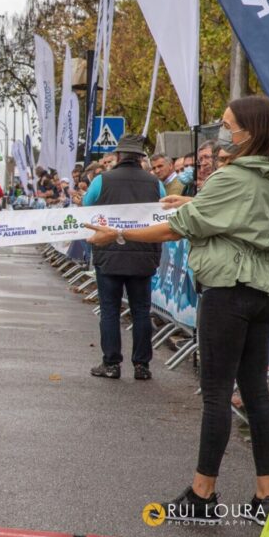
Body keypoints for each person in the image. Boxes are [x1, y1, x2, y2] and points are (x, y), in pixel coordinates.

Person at [86, 96, 269, 525]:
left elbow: (177, 229)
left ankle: (202, 494)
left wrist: (117, 236)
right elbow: (230, 217)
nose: (221, 132)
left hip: (227, 289)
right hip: (263, 290)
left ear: (249, 132)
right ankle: (264, 495)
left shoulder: (231, 176)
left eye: (228, 124)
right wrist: (191, 206)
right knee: (254, 391)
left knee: (216, 392)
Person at [82, 135, 166, 381]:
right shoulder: (155, 183)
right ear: (141, 158)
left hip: (109, 254)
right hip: (143, 254)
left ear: (118, 156)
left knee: (109, 310)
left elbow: (87, 206)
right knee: (141, 311)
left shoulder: (101, 180)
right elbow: (162, 210)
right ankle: (142, 366)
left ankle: (111, 364)